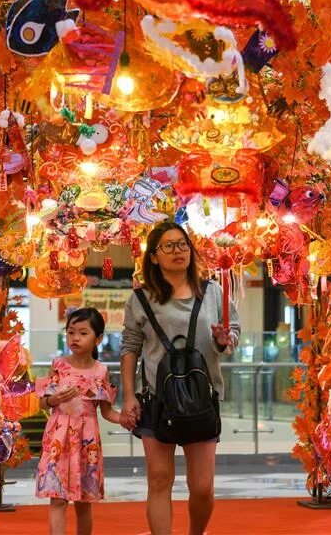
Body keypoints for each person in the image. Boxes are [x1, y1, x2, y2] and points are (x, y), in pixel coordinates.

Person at [120, 222, 239, 535]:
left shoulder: (213, 291)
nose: (178, 251)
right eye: (168, 246)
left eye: (183, 244)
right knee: (159, 479)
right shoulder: (141, 298)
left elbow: (232, 334)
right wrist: (129, 395)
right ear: (154, 257)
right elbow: (130, 348)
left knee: (202, 487)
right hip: (155, 400)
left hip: (202, 397)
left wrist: (225, 339)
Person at [35, 308, 122, 535]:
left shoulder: (102, 371)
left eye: (83, 333)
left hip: (87, 442)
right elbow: (42, 404)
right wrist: (54, 399)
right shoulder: (59, 365)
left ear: (98, 339)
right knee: (57, 500)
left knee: (84, 503)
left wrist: (126, 419)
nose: (75, 338)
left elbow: (107, 412)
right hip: (58, 440)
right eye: (71, 332)